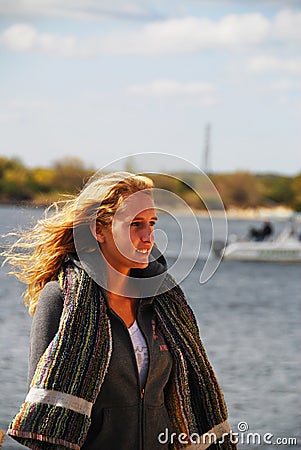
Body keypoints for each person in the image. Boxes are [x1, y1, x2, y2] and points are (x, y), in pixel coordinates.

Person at [4, 171, 236, 450]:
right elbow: (45, 411)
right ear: (98, 230)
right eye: (135, 224)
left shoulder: (165, 302)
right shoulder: (60, 298)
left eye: (152, 223)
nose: (148, 236)